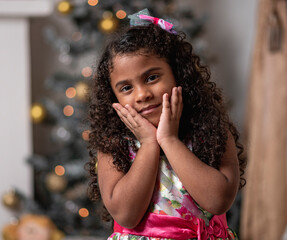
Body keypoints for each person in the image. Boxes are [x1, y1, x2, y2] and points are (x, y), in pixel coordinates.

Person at [87, 9, 246, 240]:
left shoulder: (211, 131)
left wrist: (169, 140)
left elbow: (218, 201)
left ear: (178, 75)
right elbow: (126, 215)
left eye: (152, 77)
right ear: (114, 99)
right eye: (126, 88)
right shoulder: (114, 145)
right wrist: (149, 144)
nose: (142, 95)